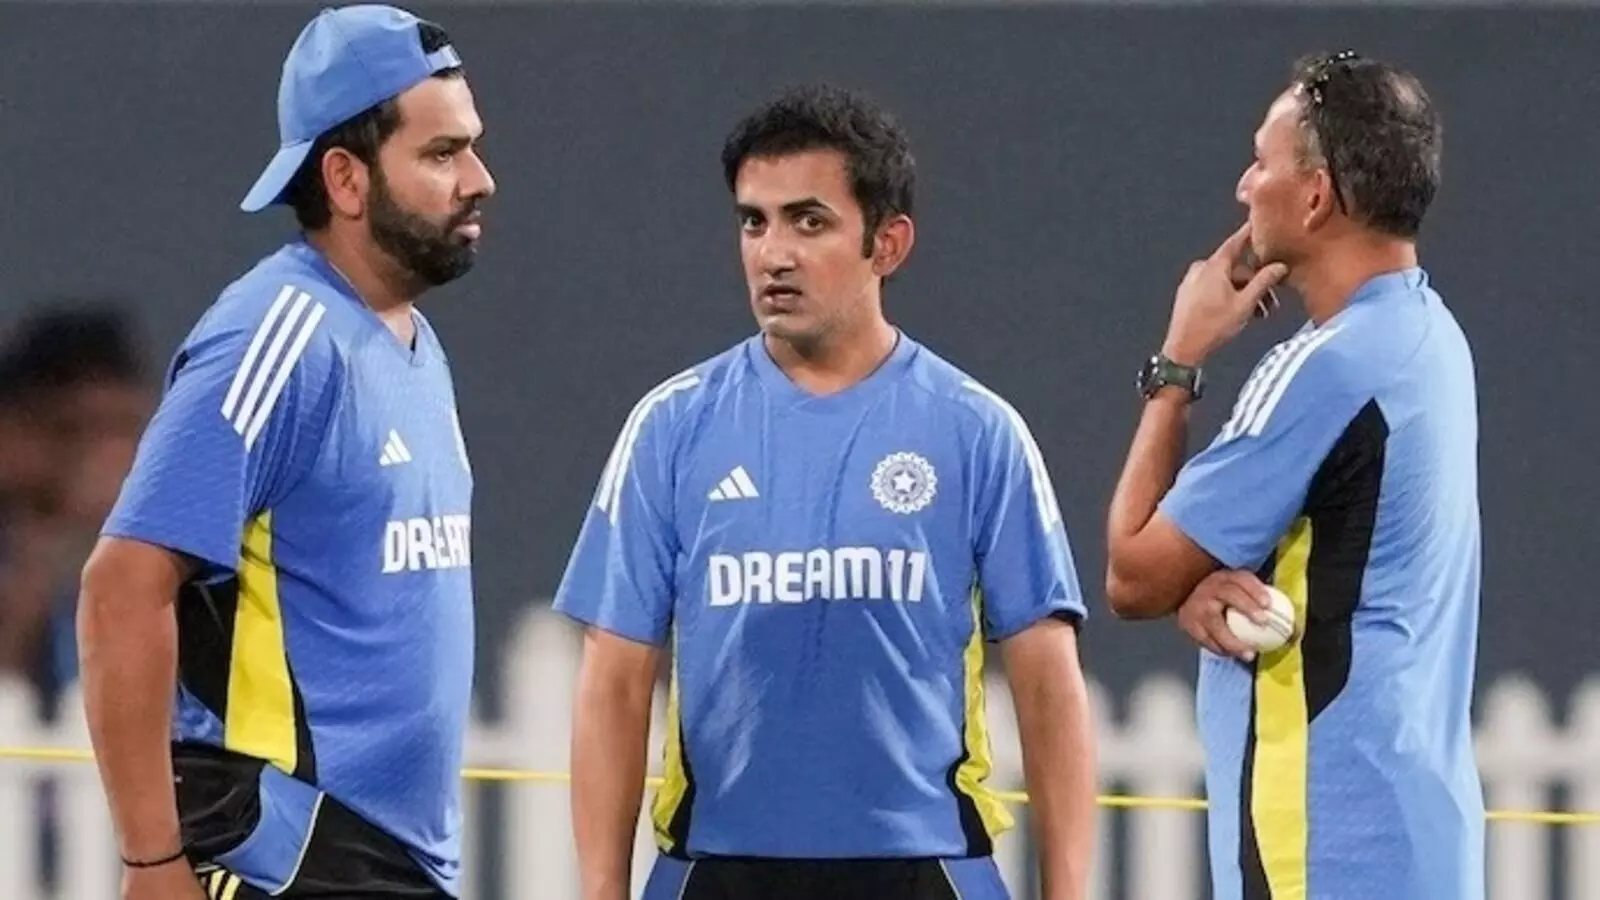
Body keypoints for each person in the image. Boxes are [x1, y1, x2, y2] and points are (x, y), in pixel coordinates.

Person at [554, 84, 1096, 900]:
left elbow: (1048, 688)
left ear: (889, 243)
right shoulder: (670, 428)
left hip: (926, 871)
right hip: (715, 872)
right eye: (754, 222)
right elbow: (614, 683)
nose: (773, 253)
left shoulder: (978, 432)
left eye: (809, 222)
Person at [76, 5, 493, 899]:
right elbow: (121, 589)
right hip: (288, 845)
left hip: (385, 859)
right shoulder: (279, 334)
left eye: (472, 148)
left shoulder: (412, 344)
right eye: (442, 153)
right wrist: (152, 863)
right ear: (345, 178)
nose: (479, 179)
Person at [1103, 50, 1481, 899]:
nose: (1244, 186)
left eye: (1261, 162)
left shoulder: (1327, 369)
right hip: (1416, 842)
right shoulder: (1431, 338)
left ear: (1315, 196)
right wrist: (1201, 589)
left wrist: (1178, 362)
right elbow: (1348, 563)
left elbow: (1133, 573)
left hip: (1321, 842)